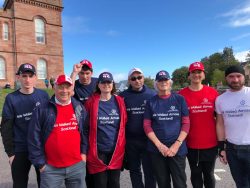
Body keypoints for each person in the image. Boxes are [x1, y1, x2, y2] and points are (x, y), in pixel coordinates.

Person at [27, 74, 88, 188]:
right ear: (54, 88)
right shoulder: (42, 109)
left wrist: (83, 154)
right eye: (60, 87)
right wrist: (40, 164)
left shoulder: (79, 107)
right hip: (51, 169)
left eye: (67, 87)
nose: (64, 91)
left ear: (72, 89)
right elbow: (33, 137)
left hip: (77, 166)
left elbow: (84, 132)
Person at [0, 63, 49, 188]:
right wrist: (10, 153)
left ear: (35, 78)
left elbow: (49, 122)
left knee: (44, 183)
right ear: (18, 77)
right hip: (20, 149)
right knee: (20, 184)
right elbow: (6, 128)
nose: (27, 80)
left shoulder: (43, 95)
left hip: (40, 149)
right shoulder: (11, 98)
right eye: (24, 76)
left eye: (30, 76)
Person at [143, 70, 190, 188]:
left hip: (177, 149)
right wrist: (159, 145)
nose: (163, 82)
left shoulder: (179, 99)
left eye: (165, 80)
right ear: (156, 84)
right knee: (163, 182)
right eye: (160, 80)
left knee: (180, 183)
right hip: (157, 149)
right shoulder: (151, 102)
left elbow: (186, 123)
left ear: (170, 82)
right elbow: (146, 125)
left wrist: (176, 144)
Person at [179, 62, 219, 188]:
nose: (196, 75)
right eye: (193, 72)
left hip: (211, 143)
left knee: (209, 174)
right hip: (191, 143)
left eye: (199, 72)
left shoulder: (213, 93)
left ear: (203, 75)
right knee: (195, 175)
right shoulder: (181, 95)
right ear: (189, 76)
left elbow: (220, 119)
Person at [85, 72, 127, 188]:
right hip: (98, 150)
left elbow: (124, 124)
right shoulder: (91, 102)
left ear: (113, 84)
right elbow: (85, 126)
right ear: (98, 84)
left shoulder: (120, 101)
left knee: (114, 183)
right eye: (103, 82)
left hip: (116, 150)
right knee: (100, 184)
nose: (106, 84)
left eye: (109, 82)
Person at [119, 68, 156, 188]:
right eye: (133, 78)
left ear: (143, 78)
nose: (137, 81)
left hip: (148, 140)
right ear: (129, 80)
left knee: (149, 171)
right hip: (131, 141)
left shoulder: (152, 94)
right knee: (134, 170)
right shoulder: (122, 96)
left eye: (139, 77)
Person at [216, 65, 250, 188]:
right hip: (232, 149)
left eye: (238, 76)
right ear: (226, 78)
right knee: (240, 183)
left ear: (244, 77)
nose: (235, 80)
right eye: (231, 76)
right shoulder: (220, 99)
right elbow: (220, 124)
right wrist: (221, 148)